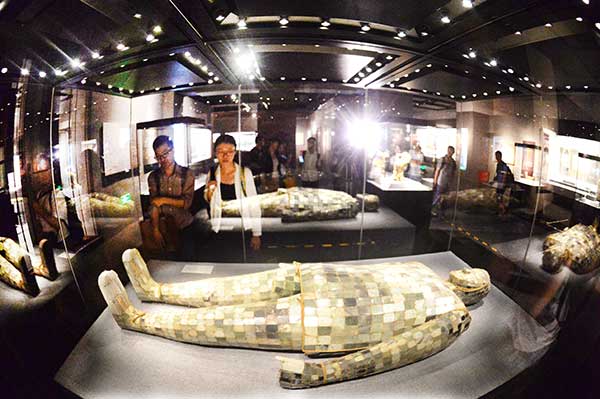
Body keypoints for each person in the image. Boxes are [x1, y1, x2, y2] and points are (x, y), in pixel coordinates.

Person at [99, 248, 490, 389]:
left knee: (225, 322)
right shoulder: (422, 268)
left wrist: (330, 372)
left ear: (475, 294)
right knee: (229, 291)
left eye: (473, 281)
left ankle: (137, 319)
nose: (465, 276)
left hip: (326, 318)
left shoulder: (451, 315)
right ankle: (156, 291)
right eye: (470, 272)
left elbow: (400, 350)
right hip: (317, 277)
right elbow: (371, 273)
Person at [204, 134, 261, 250]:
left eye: (230, 151)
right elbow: (208, 199)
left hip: (242, 228)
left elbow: (254, 205)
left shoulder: (244, 173)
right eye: (221, 151)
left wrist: (256, 234)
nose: (225, 155)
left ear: (235, 152)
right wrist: (209, 192)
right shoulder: (213, 173)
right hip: (219, 228)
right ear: (215, 153)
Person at [148, 135, 195, 258]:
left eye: (165, 154)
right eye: (158, 157)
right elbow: (154, 205)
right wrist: (155, 229)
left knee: (187, 262)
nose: (163, 159)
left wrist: (163, 200)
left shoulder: (187, 174)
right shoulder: (153, 177)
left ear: (173, 150)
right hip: (164, 228)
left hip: (184, 226)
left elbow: (186, 203)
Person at [432, 146, 457, 214]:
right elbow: (437, 170)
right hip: (441, 181)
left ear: (453, 152)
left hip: (448, 183)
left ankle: (442, 211)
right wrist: (435, 180)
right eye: (449, 151)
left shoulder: (453, 162)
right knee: (437, 196)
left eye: (451, 151)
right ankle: (432, 209)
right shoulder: (442, 159)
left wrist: (452, 182)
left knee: (445, 198)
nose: (450, 152)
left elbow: (453, 173)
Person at [493, 151, 513, 215]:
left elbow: (504, 175)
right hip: (500, 184)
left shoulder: (503, 165)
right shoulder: (499, 164)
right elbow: (498, 174)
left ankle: (503, 210)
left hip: (502, 184)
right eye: (496, 156)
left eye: (497, 156)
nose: (496, 157)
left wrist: (502, 184)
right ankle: (501, 210)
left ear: (500, 156)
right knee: (499, 197)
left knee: (500, 197)